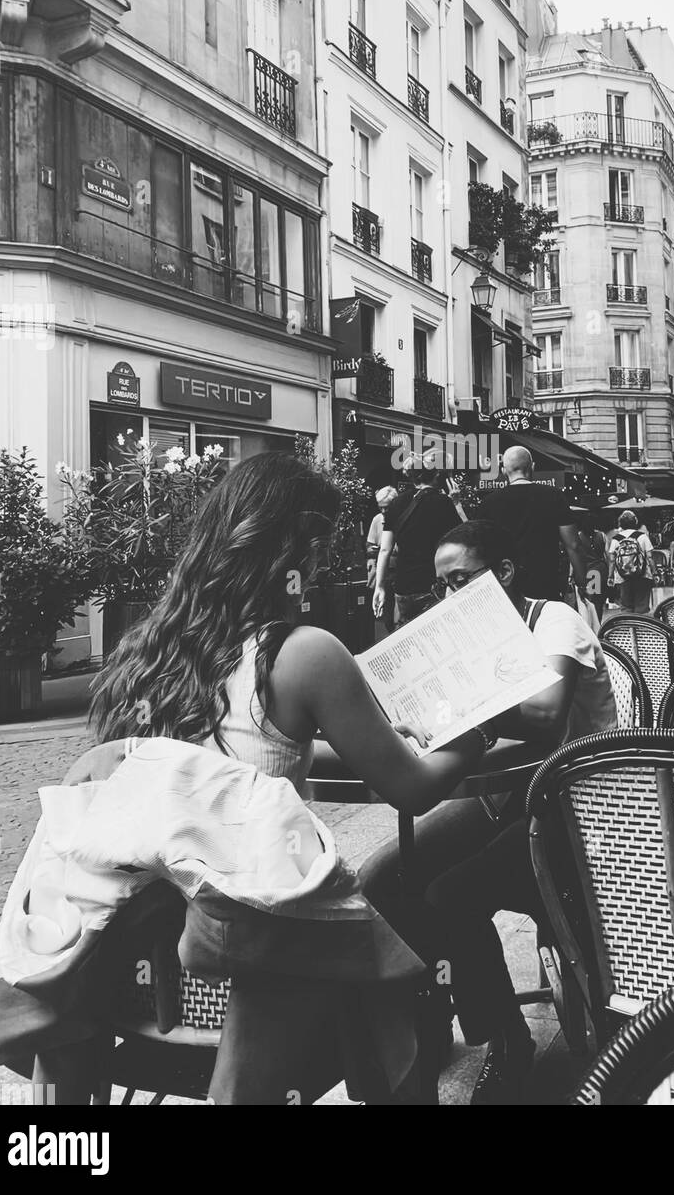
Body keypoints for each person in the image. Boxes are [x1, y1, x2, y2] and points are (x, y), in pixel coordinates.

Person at [89, 453, 491, 1104]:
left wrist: (359, 748)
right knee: (403, 975)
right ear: (291, 549)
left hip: (140, 958)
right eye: (320, 545)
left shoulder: (144, 654)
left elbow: (230, 763)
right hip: (254, 954)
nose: (328, 564)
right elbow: (412, 790)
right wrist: (475, 735)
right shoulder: (302, 653)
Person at [359, 520, 616, 1106]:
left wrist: (455, 705)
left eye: (462, 581)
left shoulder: (554, 620)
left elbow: (548, 714)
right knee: (380, 882)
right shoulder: (459, 638)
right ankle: (437, 1007)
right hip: (502, 798)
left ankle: (506, 1038)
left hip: (576, 810)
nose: (451, 598)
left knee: (447, 896)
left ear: (503, 573)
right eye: (441, 587)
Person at [477, 446, 588, 600]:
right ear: (533, 467)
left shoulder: (488, 503)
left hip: (506, 585)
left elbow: (482, 549)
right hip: (546, 583)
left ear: (503, 470)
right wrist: (583, 583)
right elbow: (574, 545)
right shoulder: (553, 496)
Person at [373, 458, 461, 626]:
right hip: (433, 585)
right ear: (435, 475)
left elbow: (385, 550)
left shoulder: (396, 504)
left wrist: (380, 586)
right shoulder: (443, 503)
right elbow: (464, 539)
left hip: (404, 586)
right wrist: (456, 504)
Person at [607, 510, 656, 615]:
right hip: (643, 576)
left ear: (620, 523)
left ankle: (630, 629)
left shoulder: (616, 539)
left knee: (626, 608)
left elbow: (612, 560)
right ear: (635, 522)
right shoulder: (642, 536)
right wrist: (654, 572)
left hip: (622, 578)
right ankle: (641, 629)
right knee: (642, 608)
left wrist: (610, 576)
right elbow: (650, 557)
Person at [367, 485, 398, 631]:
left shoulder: (402, 517)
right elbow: (369, 545)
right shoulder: (377, 519)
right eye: (381, 508)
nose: (384, 511)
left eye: (387, 507)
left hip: (399, 570)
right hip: (384, 571)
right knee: (386, 614)